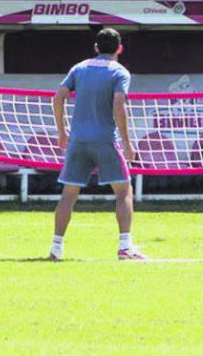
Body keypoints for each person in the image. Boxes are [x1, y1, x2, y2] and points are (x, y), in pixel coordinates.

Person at [49, 28, 147, 261]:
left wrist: (62, 132)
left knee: (68, 194)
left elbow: (57, 97)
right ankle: (125, 247)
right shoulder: (119, 72)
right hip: (105, 139)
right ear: (120, 48)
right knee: (124, 190)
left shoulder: (79, 68)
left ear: (95, 47)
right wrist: (127, 141)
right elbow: (118, 105)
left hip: (78, 140)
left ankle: (56, 248)